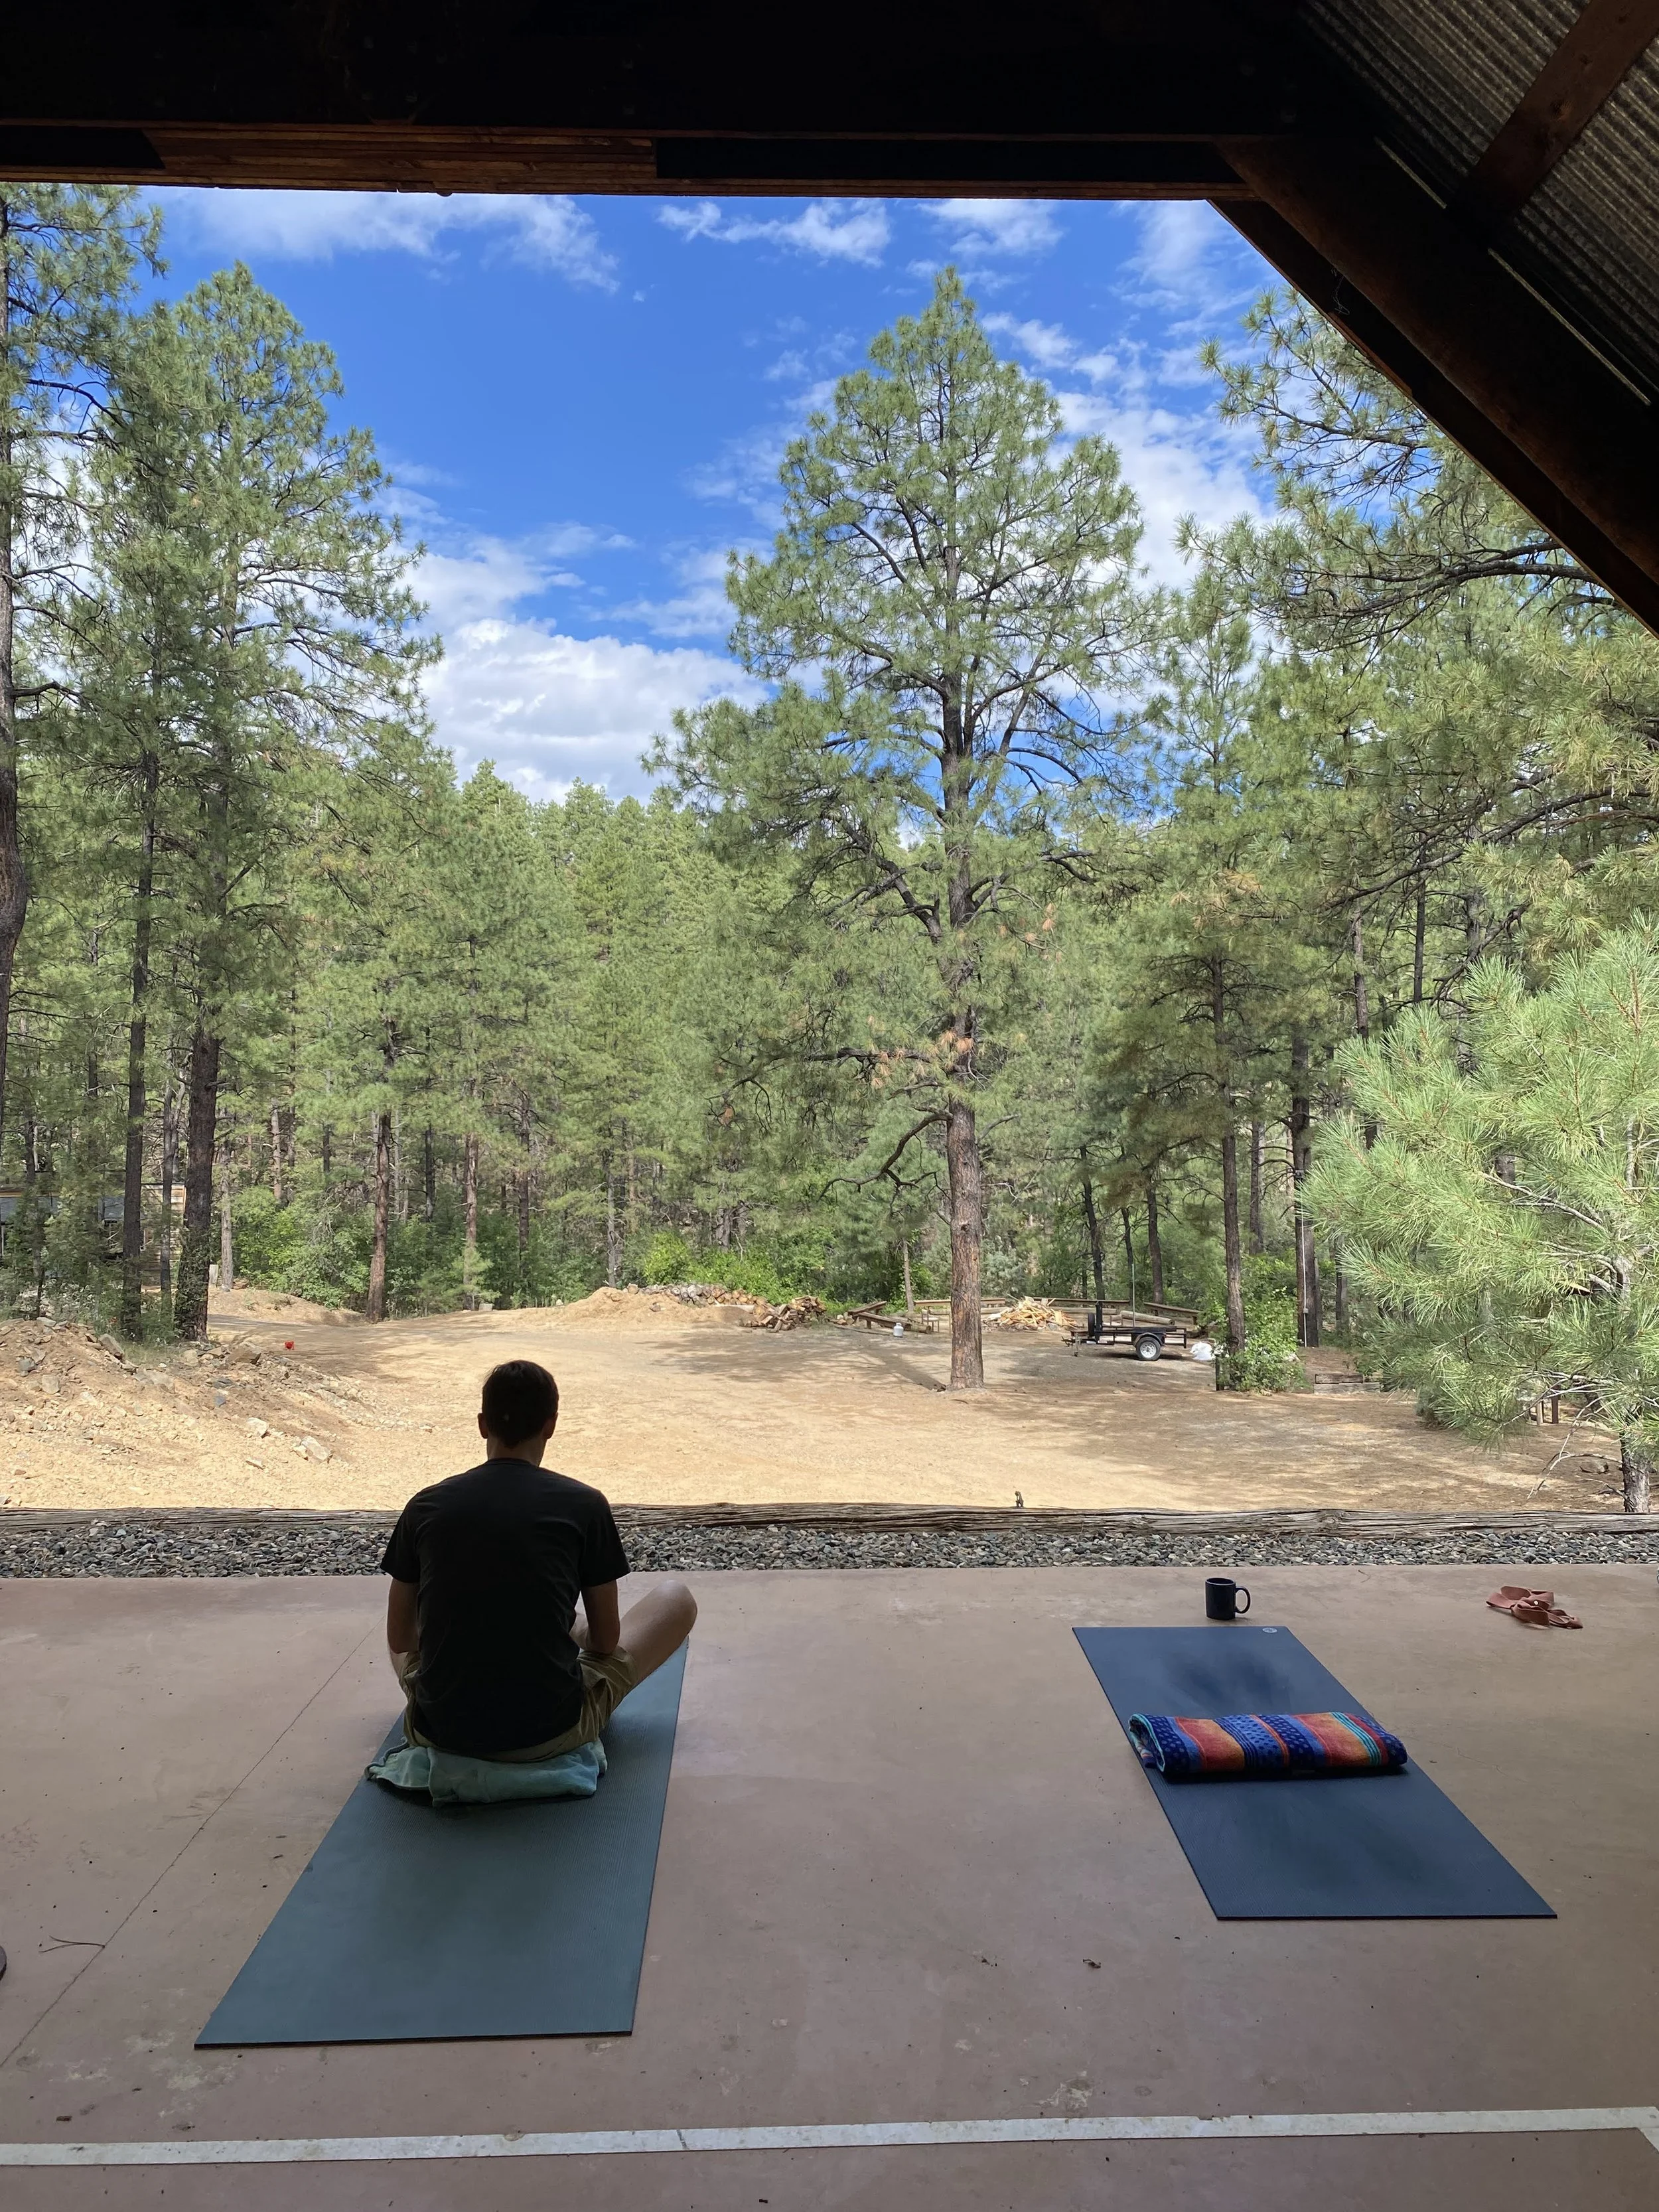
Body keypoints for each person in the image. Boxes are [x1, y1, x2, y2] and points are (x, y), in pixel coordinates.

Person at [381, 1358, 695, 1761]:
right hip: (552, 1733)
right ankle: (557, 1635)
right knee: (676, 1597)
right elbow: (605, 1642)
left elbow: (400, 1640)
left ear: (482, 1424)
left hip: (439, 1732)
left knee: (403, 1606)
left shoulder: (424, 1506)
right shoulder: (585, 1505)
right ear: (551, 1425)